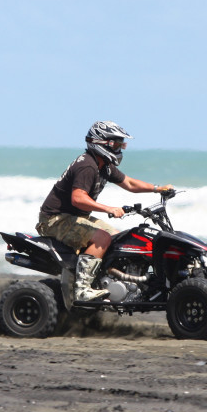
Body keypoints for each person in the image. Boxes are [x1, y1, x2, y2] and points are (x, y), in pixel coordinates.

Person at [37, 121, 174, 302]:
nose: (119, 148)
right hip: (55, 220)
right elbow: (78, 198)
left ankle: (105, 282)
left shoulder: (104, 166)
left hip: (74, 217)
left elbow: (130, 183)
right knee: (102, 238)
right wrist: (108, 209)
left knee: (119, 239)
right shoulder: (87, 165)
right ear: (101, 143)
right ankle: (83, 289)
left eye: (121, 144)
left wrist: (158, 189)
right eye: (116, 144)